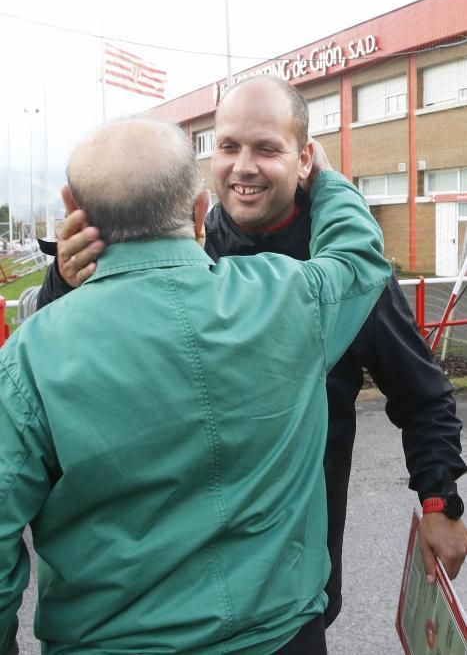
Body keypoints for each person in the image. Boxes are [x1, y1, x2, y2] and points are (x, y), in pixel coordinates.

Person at [36, 77, 467, 627]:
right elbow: (57, 360)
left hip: (290, 582)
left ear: (305, 158)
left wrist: (439, 501)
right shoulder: (185, 247)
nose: (244, 166)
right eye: (228, 146)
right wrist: (64, 281)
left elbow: (422, 393)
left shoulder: (346, 279)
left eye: (267, 148)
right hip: (165, 578)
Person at [0, 115, 390, 654]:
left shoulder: (30, 357)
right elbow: (358, 256)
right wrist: (324, 178)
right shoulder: (287, 297)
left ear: (73, 207)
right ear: (199, 209)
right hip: (283, 637)